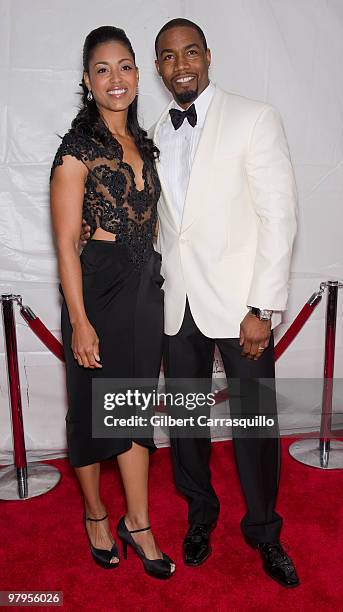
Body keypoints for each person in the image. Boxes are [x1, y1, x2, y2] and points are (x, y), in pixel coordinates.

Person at [82, 18, 300, 587]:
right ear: (157, 68)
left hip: (241, 307)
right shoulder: (150, 130)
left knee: (254, 428)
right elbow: (151, 222)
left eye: (191, 52)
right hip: (175, 307)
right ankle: (200, 517)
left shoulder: (255, 118)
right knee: (186, 430)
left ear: (208, 56)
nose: (181, 65)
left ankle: (264, 532)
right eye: (168, 57)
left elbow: (280, 216)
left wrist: (265, 306)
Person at [50, 25, 175, 579]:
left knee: (134, 411)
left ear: (137, 73)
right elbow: (64, 246)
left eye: (124, 66)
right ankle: (97, 514)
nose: (116, 78)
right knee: (91, 412)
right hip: (97, 291)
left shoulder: (145, 142)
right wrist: (79, 320)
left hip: (145, 289)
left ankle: (140, 523)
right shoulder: (76, 150)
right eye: (102, 69)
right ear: (87, 80)